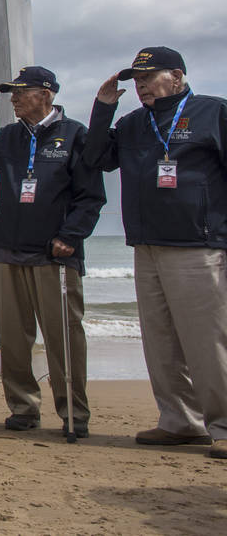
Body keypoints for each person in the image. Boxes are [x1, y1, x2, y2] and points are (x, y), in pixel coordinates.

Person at [84, 46, 227, 459]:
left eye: (150, 76)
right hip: (146, 246)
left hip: (198, 246)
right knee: (161, 341)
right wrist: (103, 109)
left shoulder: (211, 112)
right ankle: (180, 422)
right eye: (137, 80)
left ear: (177, 77)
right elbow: (95, 158)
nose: (142, 85)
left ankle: (222, 424)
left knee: (207, 342)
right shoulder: (133, 124)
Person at [0, 66, 106, 438]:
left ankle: (74, 414)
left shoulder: (75, 135)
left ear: (48, 94)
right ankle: (23, 408)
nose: (14, 98)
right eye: (12, 92)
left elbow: (91, 197)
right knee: (14, 339)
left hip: (54, 254)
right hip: (8, 250)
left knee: (63, 338)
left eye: (23, 91)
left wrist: (70, 236)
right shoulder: (8, 136)